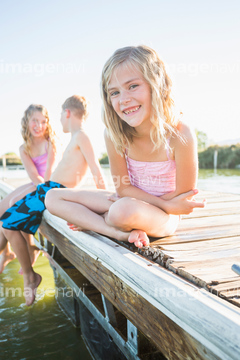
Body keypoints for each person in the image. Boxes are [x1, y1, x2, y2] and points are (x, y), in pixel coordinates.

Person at [45, 45, 206, 249]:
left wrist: (163, 205)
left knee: (121, 211)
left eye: (132, 86)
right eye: (114, 92)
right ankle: (115, 232)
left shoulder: (180, 134)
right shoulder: (115, 135)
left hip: (164, 215)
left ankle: (101, 220)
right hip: (128, 199)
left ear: (157, 84)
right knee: (52, 197)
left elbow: (183, 198)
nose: (124, 99)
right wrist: (154, 201)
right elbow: (123, 187)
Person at [0, 95, 106, 306]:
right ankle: (28, 272)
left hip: (53, 191)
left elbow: (95, 167)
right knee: (7, 221)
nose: (58, 119)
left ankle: (30, 276)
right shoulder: (75, 137)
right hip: (49, 191)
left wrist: (104, 204)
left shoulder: (81, 136)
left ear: (67, 113)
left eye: (59, 115)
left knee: (8, 223)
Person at [0, 104, 57, 274]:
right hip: (36, 182)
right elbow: (34, 175)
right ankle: (8, 252)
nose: (39, 126)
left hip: (50, 185)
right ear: (27, 122)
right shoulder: (24, 148)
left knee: (13, 202)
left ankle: (30, 248)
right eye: (34, 121)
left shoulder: (50, 143)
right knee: (1, 208)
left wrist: (40, 191)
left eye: (43, 121)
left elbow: (48, 175)